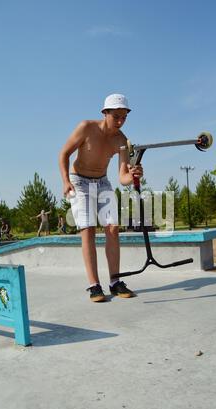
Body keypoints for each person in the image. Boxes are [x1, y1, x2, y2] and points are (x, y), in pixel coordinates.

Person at [59, 93, 143, 302]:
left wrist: (132, 174)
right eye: (116, 116)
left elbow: (122, 177)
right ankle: (94, 285)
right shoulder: (86, 127)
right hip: (79, 180)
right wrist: (65, 181)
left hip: (102, 181)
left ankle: (115, 282)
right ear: (105, 113)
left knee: (113, 228)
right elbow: (63, 154)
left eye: (124, 117)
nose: (120, 121)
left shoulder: (121, 140)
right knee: (87, 229)